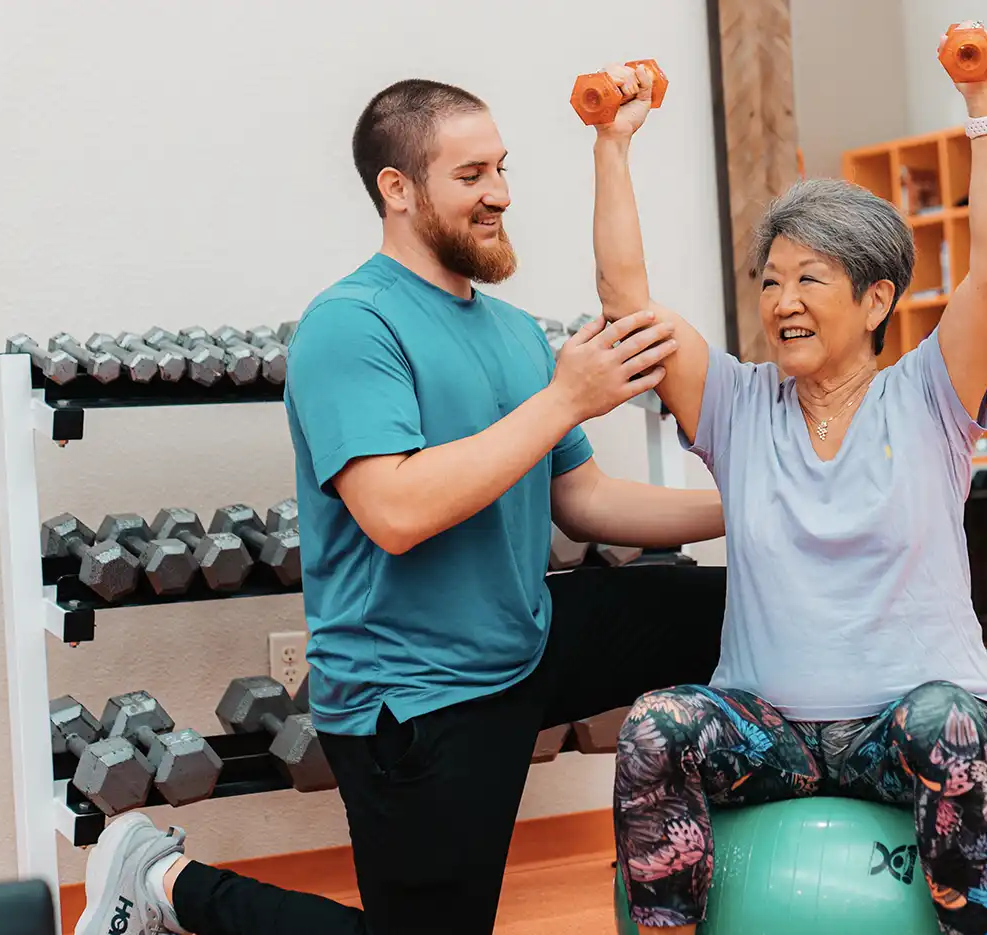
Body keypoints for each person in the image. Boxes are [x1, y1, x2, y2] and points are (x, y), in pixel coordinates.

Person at [74, 78, 728, 935]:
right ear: (399, 188)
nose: (499, 192)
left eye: (502, 168)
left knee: (736, 602)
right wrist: (565, 400)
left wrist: (747, 505)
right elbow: (396, 510)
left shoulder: (513, 331)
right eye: (471, 174)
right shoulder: (351, 325)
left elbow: (586, 499)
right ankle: (165, 880)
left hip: (524, 639)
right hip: (413, 697)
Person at [592, 24, 987, 935]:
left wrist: (983, 107)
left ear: (875, 300)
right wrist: (613, 143)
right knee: (655, 723)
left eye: (810, 280)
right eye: (771, 280)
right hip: (771, 736)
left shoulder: (931, 396)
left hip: (901, 732)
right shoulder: (739, 409)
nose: (782, 301)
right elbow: (630, 301)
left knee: (947, 720)